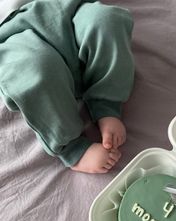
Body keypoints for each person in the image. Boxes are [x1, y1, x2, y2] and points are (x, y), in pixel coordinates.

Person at [0, 0, 135, 173]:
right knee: (37, 68)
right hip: (8, 35)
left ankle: (106, 104)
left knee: (107, 20)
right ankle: (73, 149)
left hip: (58, 7)